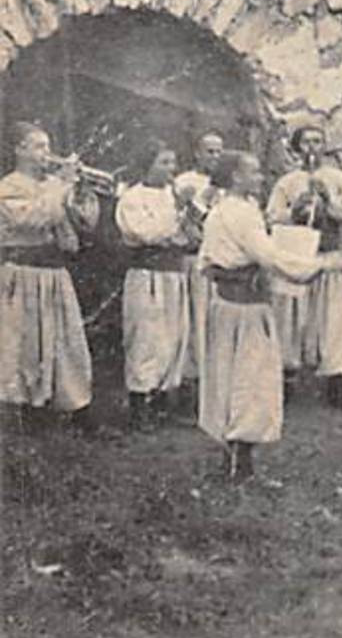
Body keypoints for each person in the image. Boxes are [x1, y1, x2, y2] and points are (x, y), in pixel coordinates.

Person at [197, 150, 342, 481]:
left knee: (227, 378)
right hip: (246, 309)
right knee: (251, 380)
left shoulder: (218, 211)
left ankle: (231, 459)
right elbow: (270, 257)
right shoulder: (242, 214)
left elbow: (206, 262)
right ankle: (240, 464)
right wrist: (322, 264)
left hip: (224, 307)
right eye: (255, 172)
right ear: (236, 177)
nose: (261, 178)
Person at [0, 123, 100, 431]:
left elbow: (86, 225)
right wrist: (62, 186)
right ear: (19, 150)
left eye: (47, 145)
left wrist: (81, 193)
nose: (47, 153)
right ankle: (27, 411)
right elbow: (31, 218)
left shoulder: (55, 183)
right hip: (24, 275)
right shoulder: (9, 186)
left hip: (55, 274)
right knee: (25, 345)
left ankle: (74, 407)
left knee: (66, 341)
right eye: (39, 146)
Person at [265, 126, 342, 411]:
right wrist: (294, 210)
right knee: (291, 319)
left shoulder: (338, 178)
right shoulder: (287, 182)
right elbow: (272, 217)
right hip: (297, 256)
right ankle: (287, 381)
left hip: (329, 255)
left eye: (317, 141)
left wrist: (329, 200)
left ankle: (337, 384)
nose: (312, 147)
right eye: (306, 142)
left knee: (334, 320)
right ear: (297, 148)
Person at [115, 139, 195, 430]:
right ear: (147, 165)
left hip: (173, 276)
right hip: (147, 276)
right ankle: (140, 407)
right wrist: (178, 215)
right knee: (146, 338)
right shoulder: (132, 197)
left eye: (173, 163)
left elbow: (190, 237)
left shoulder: (173, 196)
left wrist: (187, 219)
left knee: (173, 338)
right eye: (164, 162)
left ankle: (163, 403)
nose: (171, 169)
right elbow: (146, 233)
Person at [174, 130, 224, 392]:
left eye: (219, 151)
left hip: (220, 261)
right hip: (194, 260)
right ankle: (190, 385)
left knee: (217, 322)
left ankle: (215, 385)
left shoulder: (226, 185)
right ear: (197, 152)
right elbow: (184, 223)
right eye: (210, 151)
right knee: (195, 321)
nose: (215, 157)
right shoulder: (185, 181)